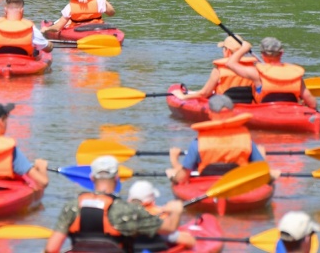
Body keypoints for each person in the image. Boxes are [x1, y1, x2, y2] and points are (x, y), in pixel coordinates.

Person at [44, 156, 188, 253]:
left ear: (92, 178)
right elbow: (168, 228)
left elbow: (51, 249)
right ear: (117, 178)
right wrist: (176, 210)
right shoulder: (128, 210)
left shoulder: (72, 207)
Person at [168, 95, 280, 185]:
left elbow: (181, 178)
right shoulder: (246, 139)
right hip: (239, 184)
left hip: (207, 186)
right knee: (274, 173)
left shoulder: (198, 143)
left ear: (210, 114)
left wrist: (174, 161)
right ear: (232, 113)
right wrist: (262, 157)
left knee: (171, 173)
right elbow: (262, 173)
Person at [225, 37, 318, 109]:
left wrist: (244, 48)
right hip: (291, 113)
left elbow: (230, 63)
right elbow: (312, 103)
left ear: (262, 54)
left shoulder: (257, 73)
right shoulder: (295, 74)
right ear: (281, 53)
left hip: (265, 112)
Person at [171, 36, 256, 104]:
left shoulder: (218, 70)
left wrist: (183, 96)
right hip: (247, 105)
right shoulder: (253, 68)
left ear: (227, 51)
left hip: (223, 106)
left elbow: (204, 94)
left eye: (223, 48)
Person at [127, 181, 197, 250]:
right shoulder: (157, 223)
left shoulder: (122, 216)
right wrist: (175, 212)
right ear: (153, 201)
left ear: (129, 200)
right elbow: (189, 241)